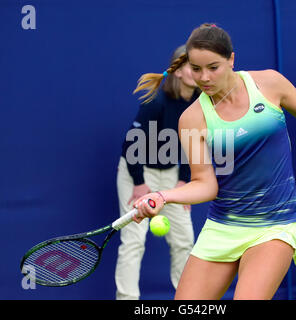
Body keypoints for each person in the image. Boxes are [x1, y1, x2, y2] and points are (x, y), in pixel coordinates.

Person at [131, 23, 296, 300]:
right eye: (196, 69)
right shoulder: (192, 118)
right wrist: (164, 195)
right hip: (223, 226)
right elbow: (205, 184)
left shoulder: (268, 83)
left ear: (231, 59)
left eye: (213, 67)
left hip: (274, 226)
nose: (204, 77)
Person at [115, 44, 200, 300]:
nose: (199, 73)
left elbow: (193, 144)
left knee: (185, 241)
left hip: (174, 177)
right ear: (178, 72)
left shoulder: (199, 103)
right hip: (137, 174)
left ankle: (188, 300)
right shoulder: (157, 102)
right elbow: (132, 143)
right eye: (192, 67)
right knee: (134, 242)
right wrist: (139, 184)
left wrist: (185, 180)